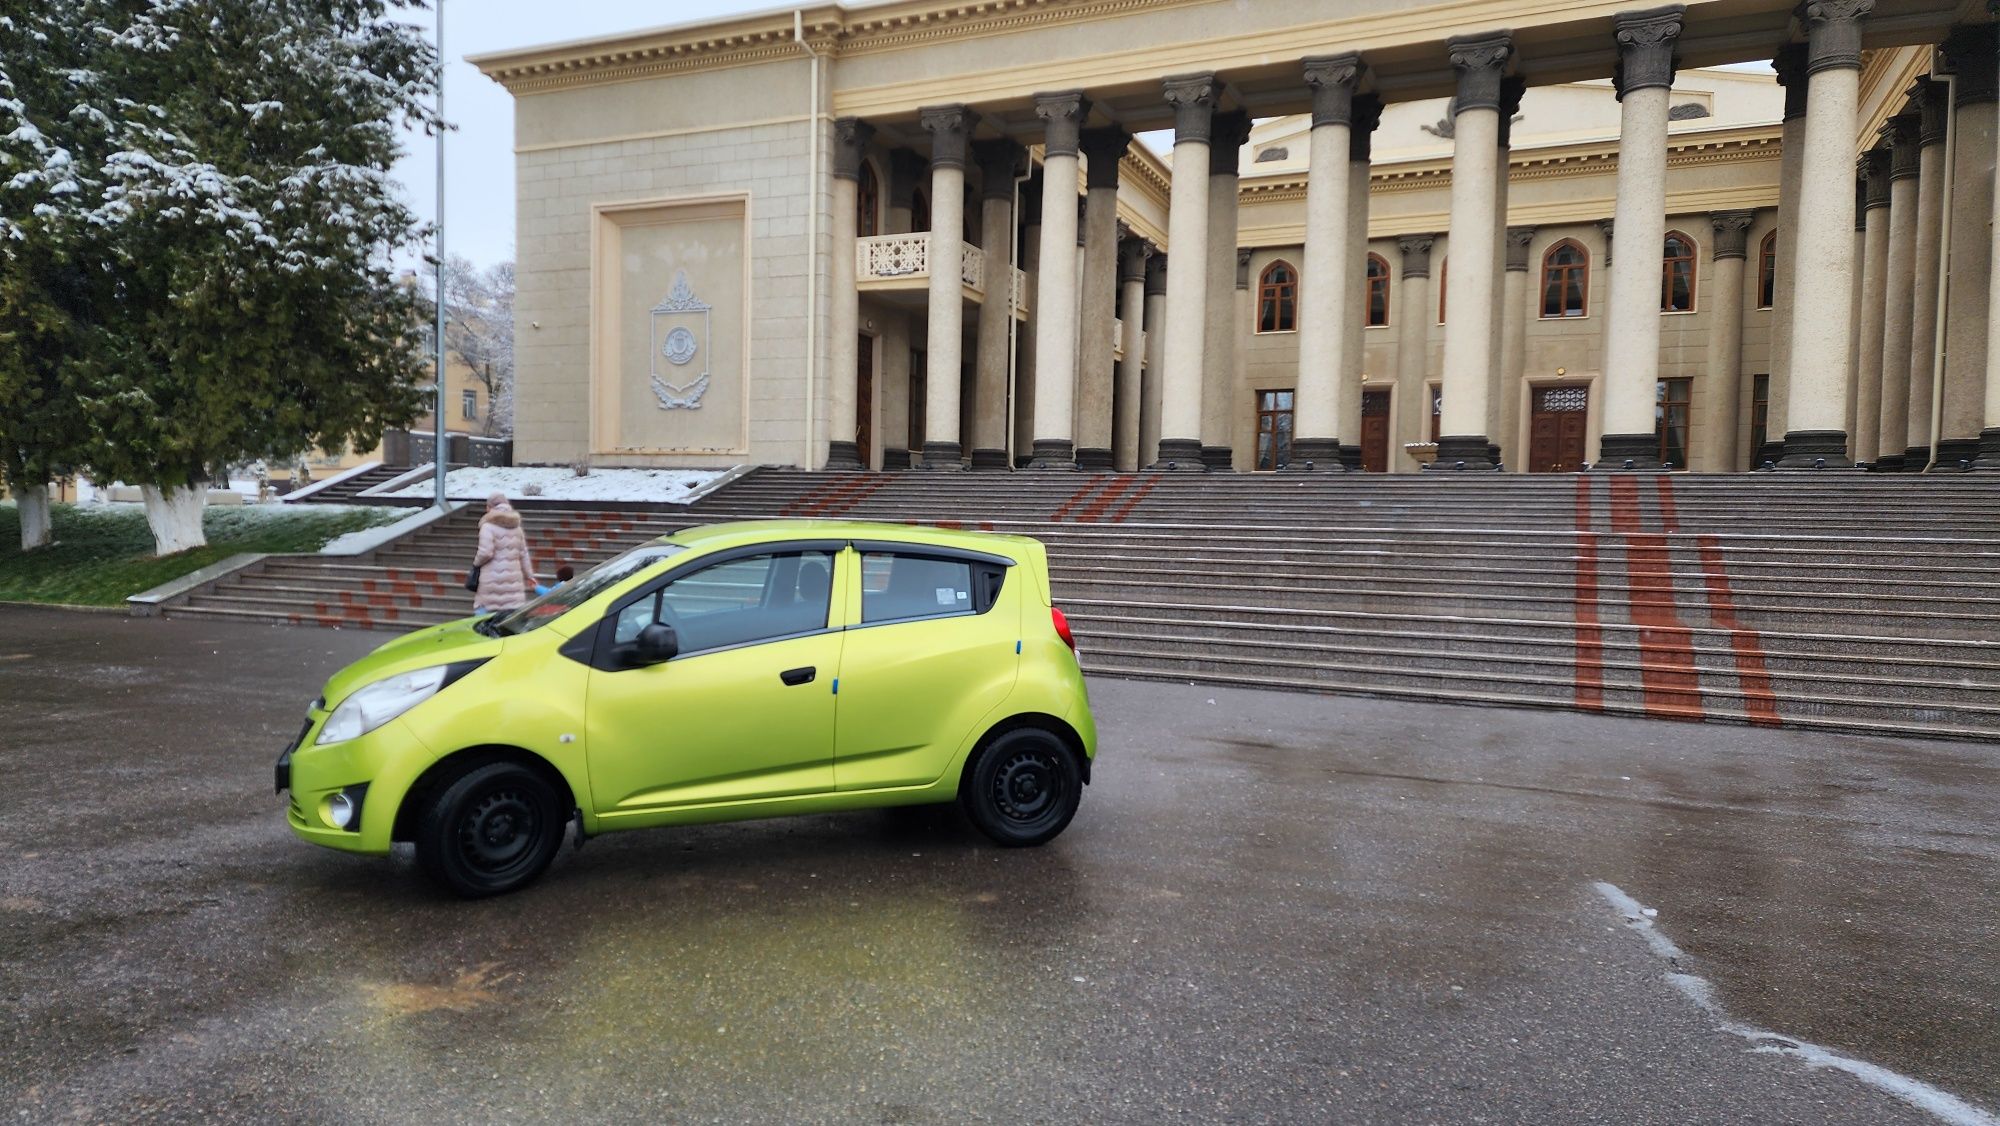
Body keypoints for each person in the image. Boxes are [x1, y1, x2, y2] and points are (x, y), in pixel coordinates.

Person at [472, 492, 537, 614]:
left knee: (483, 615)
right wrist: (529, 576)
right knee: (509, 621)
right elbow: (524, 554)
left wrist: (476, 563)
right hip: (514, 584)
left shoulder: (487, 526)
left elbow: (485, 552)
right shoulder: (517, 528)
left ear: (489, 507)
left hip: (491, 581)